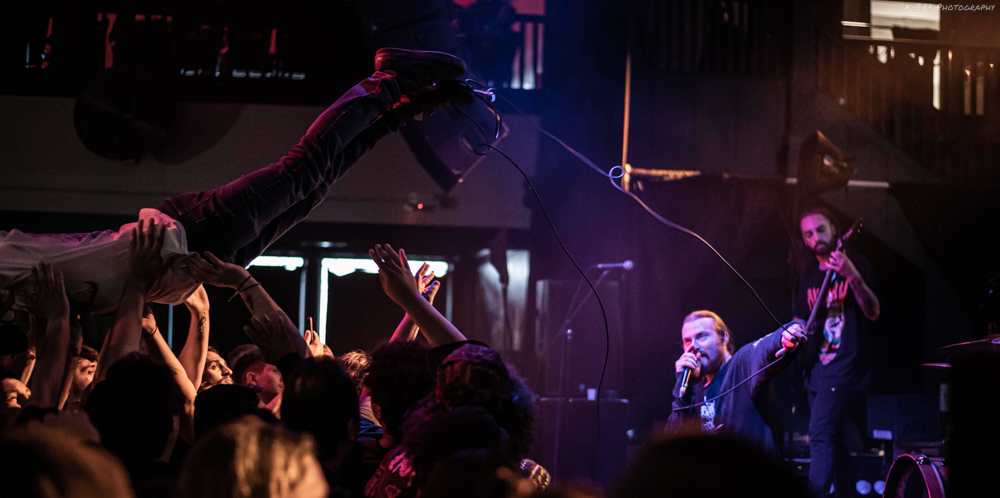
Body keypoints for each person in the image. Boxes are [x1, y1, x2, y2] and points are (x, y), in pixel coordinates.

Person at [0, 48, 473, 316]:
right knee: (315, 185)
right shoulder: (28, 307)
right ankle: (400, 111)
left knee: (303, 169)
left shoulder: (9, 266)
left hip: (183, 233)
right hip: (194, 264)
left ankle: (387, 78)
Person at [794, 206, 880, 497]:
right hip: (815, 369)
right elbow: (798, 321)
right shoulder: (807, 275)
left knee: (819, 434)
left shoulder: (857, 264)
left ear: (833, 228)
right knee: (834, 440)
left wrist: (852, 276)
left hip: (844, 368)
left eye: (820, 229)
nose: (815, 237)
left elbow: (873, 312)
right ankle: (845, 492)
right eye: (808, 233)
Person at [665, 310, 805, 456]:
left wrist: (785, 335)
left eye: (701, 336)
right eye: (687, 341)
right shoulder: (692, 394)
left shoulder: (741, 365)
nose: (693, 346)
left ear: (724, 338)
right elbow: (671, 445)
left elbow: (763, 349)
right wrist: (681, 384)